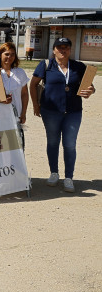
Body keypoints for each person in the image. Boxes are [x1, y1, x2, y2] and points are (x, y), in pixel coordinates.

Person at [29, 37, 95, 193]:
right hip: (50, 111)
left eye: (66, 47)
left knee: (70, 144)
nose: (62, 50)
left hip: (73, 112)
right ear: (54, 50)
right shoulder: (46, 65)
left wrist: (90, 91)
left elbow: (89, 86)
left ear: (70, 50)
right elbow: (33, 85)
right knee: (52, 142)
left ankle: (69, 178)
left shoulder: (79, 67)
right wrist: (36, 105)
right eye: (59, 47)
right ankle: (54, 173)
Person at [0, 42, 28, 149]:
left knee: (18, 147)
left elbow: (24, 94)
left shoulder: (20, 72)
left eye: (12, 54)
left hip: (16, 116)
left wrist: (23, 113)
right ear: (0, 54)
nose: (9, 57)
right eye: (6, 54)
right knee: (1, 148)